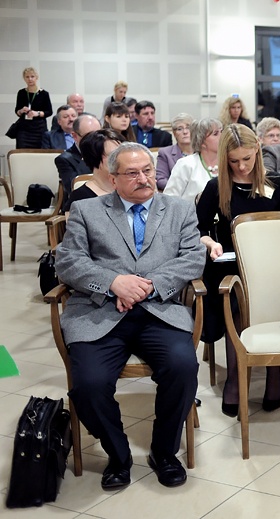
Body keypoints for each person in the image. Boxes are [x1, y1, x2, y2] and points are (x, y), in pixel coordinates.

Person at [55, 142, 205, 489]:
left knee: (183, 369)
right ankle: (118, 454)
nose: (143, 178)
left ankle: (164, 451)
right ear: (113, 177)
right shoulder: (87, 210)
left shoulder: (180, 209)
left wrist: (146, 286)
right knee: (89, 385)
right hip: (100, 311)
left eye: (148, 170)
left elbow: (192, 259)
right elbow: (68, 262)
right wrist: (113, 283)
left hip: (159, 310)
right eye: (132, 173)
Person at [196, 124, 280, 416]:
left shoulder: (275, 183)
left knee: (270, 299)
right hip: (230, 263)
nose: (241, 166)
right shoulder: (217, 187)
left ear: (257, 153)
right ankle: (236, 378)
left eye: (247, 159)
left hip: (271, 262)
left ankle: (273, 372)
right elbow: (198, 231)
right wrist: (210, 242)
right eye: (234, 161)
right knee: (235, 302)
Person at [65, 129, 126, 214]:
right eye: (113, 155)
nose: (119, 159)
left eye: (122, 154)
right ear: (94, 157)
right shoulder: (79, 198)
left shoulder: (129, 188)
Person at [164, 117, 222, 201]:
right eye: (215, 134)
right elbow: (169, 200)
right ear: (202, 141)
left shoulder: (228, 163)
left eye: (221, 132)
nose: (222, 136)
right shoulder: (185, 164)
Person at [56, 113, 102, 204]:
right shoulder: (64, 159)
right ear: (75, 136)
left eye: (99, 135)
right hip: (82, 206)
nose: (95, 140)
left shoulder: (106, 154)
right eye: (89, 136)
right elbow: (74, 190)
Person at [8, 66, 52, 149]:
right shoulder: (21, 93)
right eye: (27, 77)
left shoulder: (44, 93)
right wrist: (21, 110)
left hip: (39, 128)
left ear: (36, 78)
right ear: (24, 79)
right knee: (22, 152)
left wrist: (37, 113)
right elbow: (17, 111)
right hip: (24, 129)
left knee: (40, 151)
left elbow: (49, 111)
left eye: (32, 76)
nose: (30, 79)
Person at [155, 113, 194, 191]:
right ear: (174, 133)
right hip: (176, 195)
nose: (185, 132)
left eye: (188, 128)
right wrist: (180, 188)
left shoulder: (202, 151)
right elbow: (160, 180)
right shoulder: (165, 153)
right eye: (180, 129)